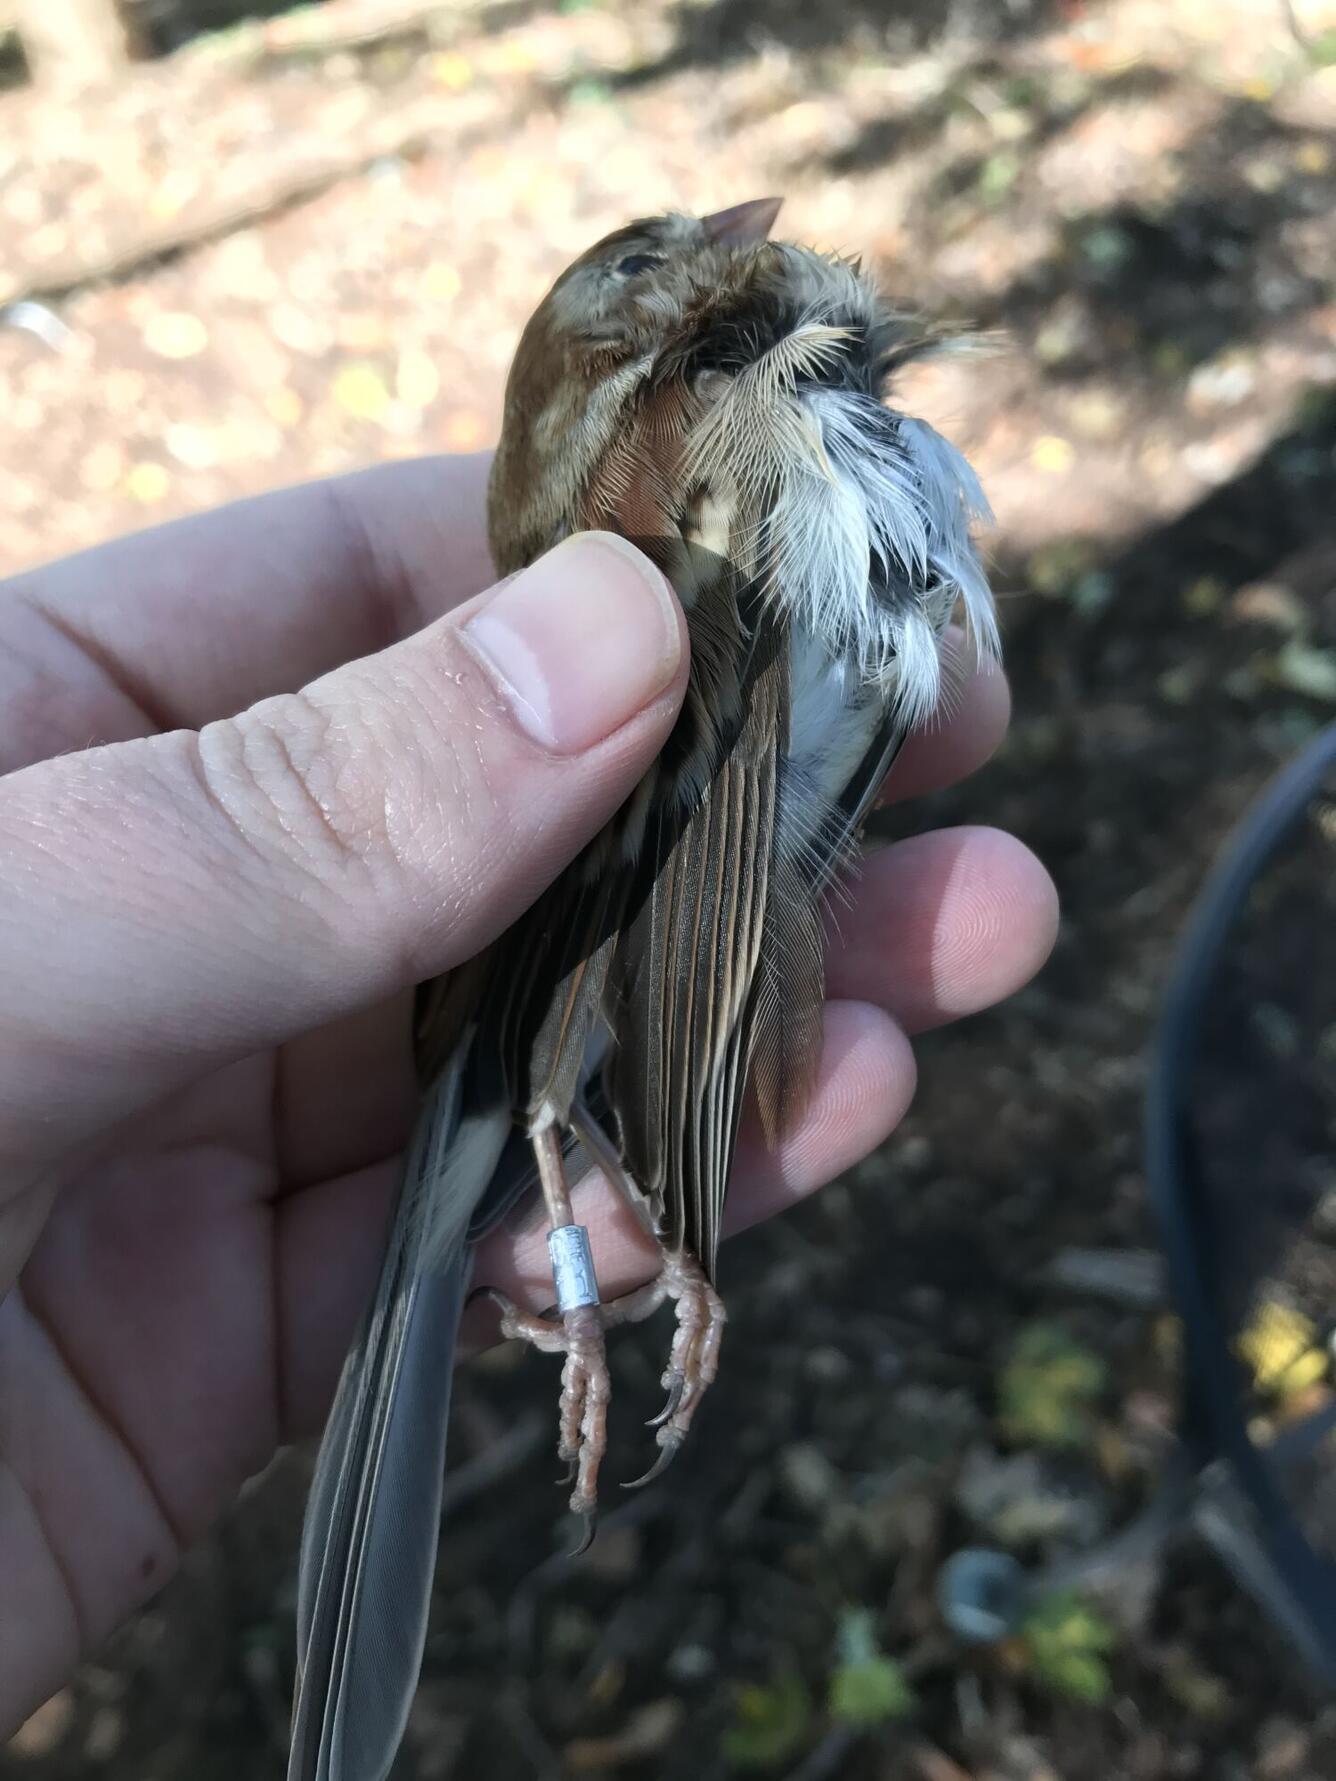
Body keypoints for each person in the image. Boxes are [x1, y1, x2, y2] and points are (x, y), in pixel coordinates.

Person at [0, 452, 1057, 1732]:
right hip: (547, 973)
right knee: (513, 1135)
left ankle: (592, 1255)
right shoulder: (692, 521)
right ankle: (590, 1258)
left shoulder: (743, 508)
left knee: (518, 1150)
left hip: (603, 950)